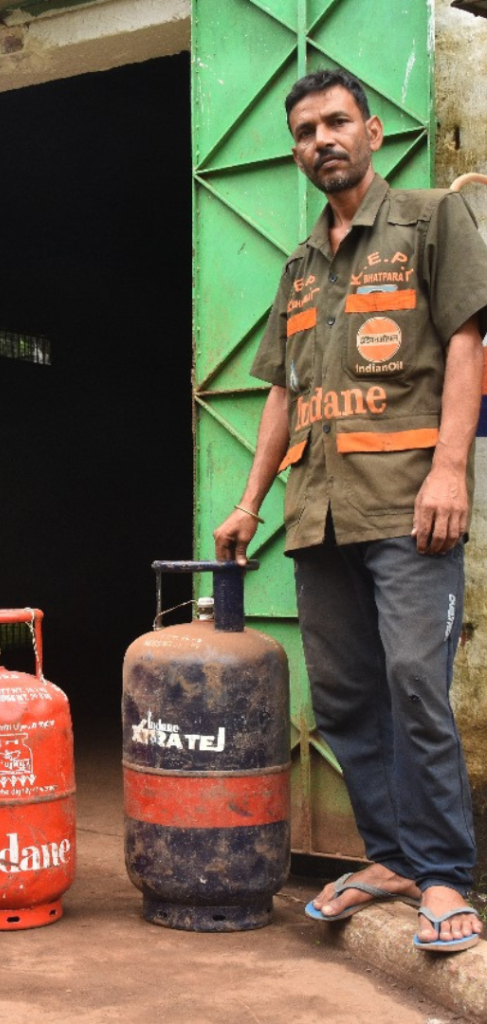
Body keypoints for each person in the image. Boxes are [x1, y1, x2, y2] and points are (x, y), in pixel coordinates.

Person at [214, 69, 487, 953]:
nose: (320, 140)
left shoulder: (431, 220)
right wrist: (250, 503)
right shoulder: (300, 267)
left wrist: (451, 471)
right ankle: (393, 858)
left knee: (415, 681)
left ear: (372, 131)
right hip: (319, 515)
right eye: (304, 131)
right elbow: (283, 394)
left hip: (409, 507)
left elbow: (467, 342)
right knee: (342, 697)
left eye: (336, 122)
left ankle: (444, 872)